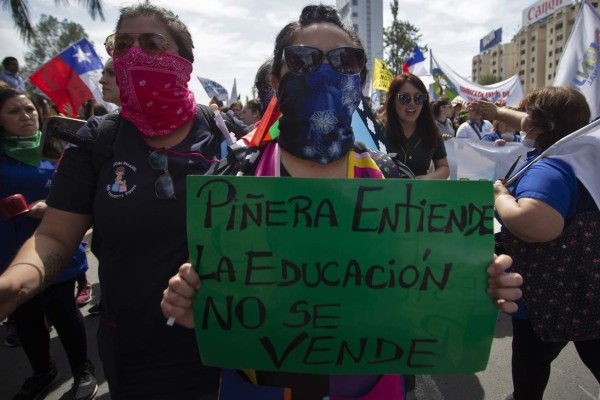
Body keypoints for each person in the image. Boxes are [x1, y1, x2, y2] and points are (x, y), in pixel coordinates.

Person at [161, 5, 523, 400]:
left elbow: (430, 288)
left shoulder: (396, 184)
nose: (324, 72)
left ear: (361, 80)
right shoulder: (231, 184)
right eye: (302, 60)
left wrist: (479, 285)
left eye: (344, 61)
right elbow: (211, 299)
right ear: (275, 79)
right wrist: (195, 306)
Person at [0, 3, 225, 399]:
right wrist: (12, 286)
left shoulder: (228, 137)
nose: (135, 54)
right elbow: (54, 236)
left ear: (184, 62)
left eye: (152, 43)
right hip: (132, 350)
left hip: (220, 346)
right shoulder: (97, 141)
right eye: (122, 45)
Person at [472, 88, 600, 400]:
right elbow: (528, 121)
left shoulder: (549, 168)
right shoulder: (587, 152)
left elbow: (536, 224)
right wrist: (497, 113)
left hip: (548, 297)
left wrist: (501, 197)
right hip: (591, 290)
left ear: (542, 127)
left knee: (530, 368)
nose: (523, 120)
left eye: (530, 116)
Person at [0, 88, 97, 400]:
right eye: (14, 111)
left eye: (29, 109)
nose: (26, 116)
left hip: (56, 254)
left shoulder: (60, 150)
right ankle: (43, 371)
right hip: (10, 252)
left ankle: (83, 369)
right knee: (26, 318)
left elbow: (83, 194)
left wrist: (52, 205)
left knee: (64, 313)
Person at [383, 72, 450, 179]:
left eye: (418, 98)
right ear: (392, 101)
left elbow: (443, 167)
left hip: (420, 194)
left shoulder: (431, 130)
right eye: (404, 98)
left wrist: (427, 179)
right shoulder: (377, 129)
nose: (412, 103)